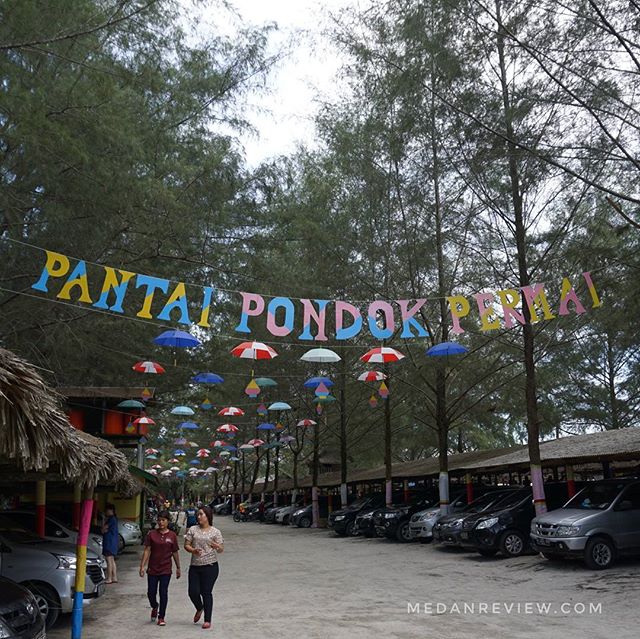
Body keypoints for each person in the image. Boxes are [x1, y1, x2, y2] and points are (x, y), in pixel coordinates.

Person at [184, 506, 224, 630]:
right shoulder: (193, 529)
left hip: (210, 566)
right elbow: (186, 545)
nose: (198, 516)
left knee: (206, 592)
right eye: (198, 514)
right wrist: (193, 550)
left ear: (208, 516)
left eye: (201, 514)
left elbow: (221, 549)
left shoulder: (215, 531)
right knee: (193, 592)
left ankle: (207, 620)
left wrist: (217, 546)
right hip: (195, 566)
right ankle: (199, 607)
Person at [139, 510, 181, 626]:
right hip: (152, 568)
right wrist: (142, 566)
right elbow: (147, 550)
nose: (161, 522)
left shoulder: (172, 535)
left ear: (168, 521)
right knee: (151, 592)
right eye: (159, 520)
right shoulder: (151, 534)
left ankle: (161, 617)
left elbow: (175, 552)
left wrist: (178, 567)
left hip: (166, 569)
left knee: (163, 592)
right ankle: (154, 606)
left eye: (163, 520)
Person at [101, 503, 119, 584]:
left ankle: (109, 578)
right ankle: (114, 577)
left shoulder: (110, 519)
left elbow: (103, 529)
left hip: (109, 542)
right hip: (113, 542)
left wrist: (103, 520)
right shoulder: (114, 519)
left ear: (110, 510)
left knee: (109, 561)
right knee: (112, 560)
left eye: (106, 510)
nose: (105, 512)